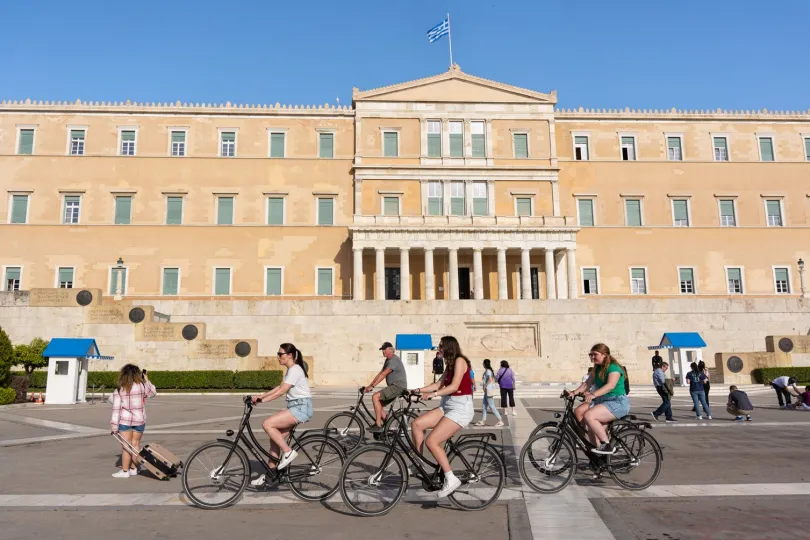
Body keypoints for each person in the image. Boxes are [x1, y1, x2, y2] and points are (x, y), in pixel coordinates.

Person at [412, 336, 476, 498]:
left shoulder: (461, 361)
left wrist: (433, 395)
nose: (438, 348)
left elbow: (454, 386)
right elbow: (439, 384)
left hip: (460, 408)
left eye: (441, 346)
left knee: (432, 441)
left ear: (448, 347)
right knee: (417, 424)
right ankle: (419, 463)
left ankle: (451, 478)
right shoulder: (450, 364)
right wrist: (418, 390)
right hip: (447, 405)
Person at [249, 343, 312, 486]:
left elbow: (282, 391)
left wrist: (262, 400)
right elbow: (279, 387)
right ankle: (270, 476)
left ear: (289, 355)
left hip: (300, 408)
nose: (278, 357)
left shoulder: (295, 369)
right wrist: (260, 396)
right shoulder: (291, 370)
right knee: (274, 440)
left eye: (280, 354)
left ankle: (288, 452)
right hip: (296, 407)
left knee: (267, 424)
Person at [567, 343, 630, 454]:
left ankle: (606, 445)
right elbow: (586, 384)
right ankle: (597, 457)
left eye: (595, 354)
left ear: (605, 354)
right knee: (591, 428)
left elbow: (610, 385)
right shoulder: (596, 369)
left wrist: (593, 394)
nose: (592, 357)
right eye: (590, 355)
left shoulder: (614, 368)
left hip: (617, 402)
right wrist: (573, 392)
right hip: (604, 402)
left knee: (589, 415)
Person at [110, 364, 157, 478]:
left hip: (125, 421)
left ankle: (125, 471)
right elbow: (153, 392)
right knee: (136, 444)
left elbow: (116, 409)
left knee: (126, 446)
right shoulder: (141, 386)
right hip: (140, 420)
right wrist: (146, 379)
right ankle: (134, 468)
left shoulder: (120, 389)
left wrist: (114, 426)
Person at [364, 342, 408, 433]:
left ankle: (378, 425)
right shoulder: (388, 360)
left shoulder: (393, 360)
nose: (383, 351)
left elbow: (384, 374)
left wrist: (372, 386)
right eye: (382, 350)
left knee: (375, 397)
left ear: (390, 349)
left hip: (397, 387)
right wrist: (369, 386)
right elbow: (380, 373)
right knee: (379, 404)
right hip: (394, 386)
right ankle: (387, 427)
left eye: (385, 349)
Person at [475, 359, 504, 427]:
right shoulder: (488, 370)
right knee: (484, 406)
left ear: (485, 364)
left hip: (488, 391)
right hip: (487, 391)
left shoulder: (488, 371)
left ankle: (500, 420)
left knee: (492, 406)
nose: (482, 364)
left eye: (483, 363)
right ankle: (483, 420)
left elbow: (490, 379)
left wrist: (485, 385)